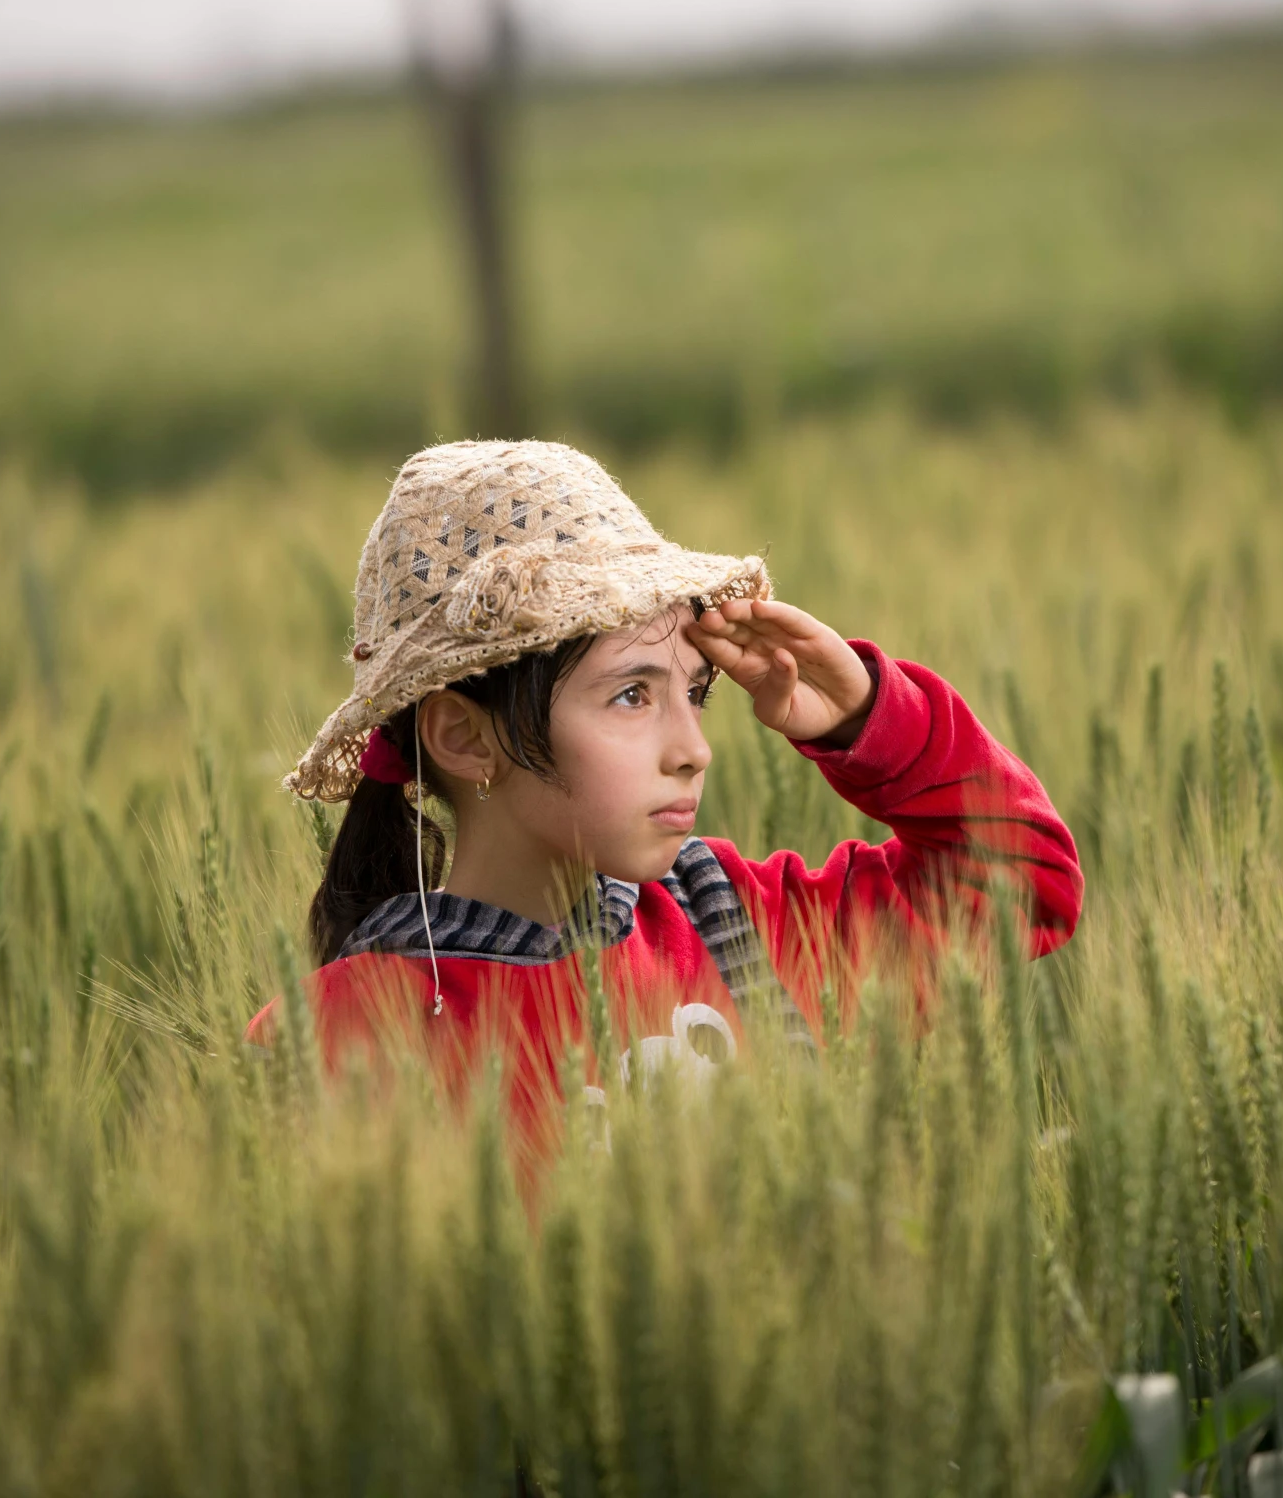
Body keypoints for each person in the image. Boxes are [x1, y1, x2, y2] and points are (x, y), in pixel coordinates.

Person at [246, 439, 1081, 1178]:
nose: (693, 748)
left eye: (695, 692)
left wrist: (869, 715)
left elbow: (1026, 886)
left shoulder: (746, 930)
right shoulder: (322, 1042)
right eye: (632, 696)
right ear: (464, 738)